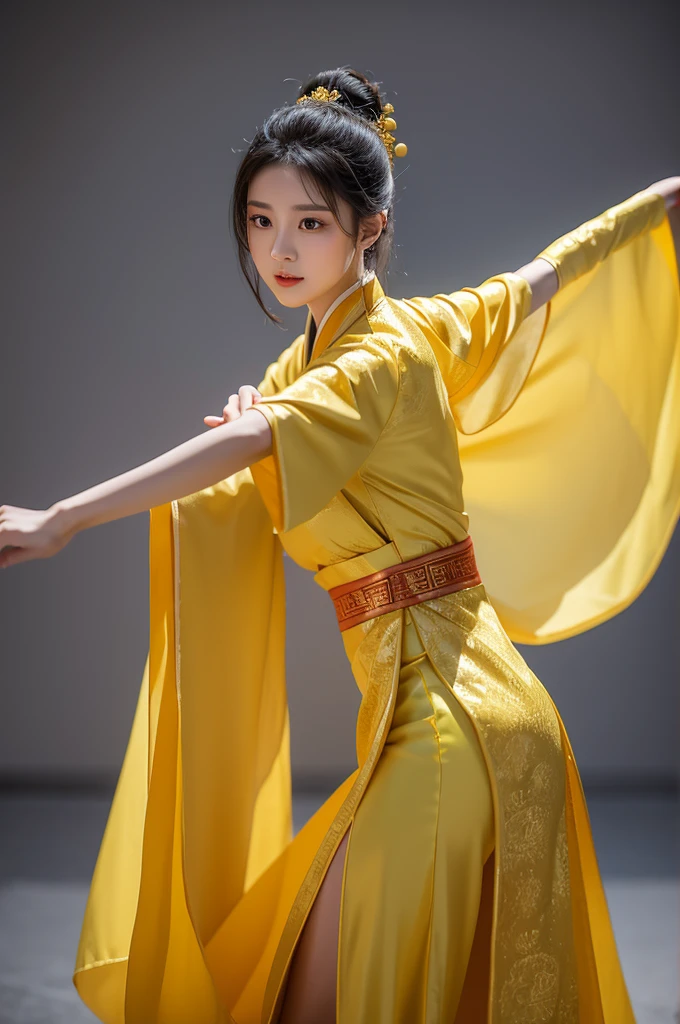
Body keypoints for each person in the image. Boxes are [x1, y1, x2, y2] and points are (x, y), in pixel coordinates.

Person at [1, 67, 678, 1024]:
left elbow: (251, 441)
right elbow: (539, 277)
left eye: (310, 223)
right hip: (453, 720)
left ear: (371, 231)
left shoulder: (379, 357)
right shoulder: (386, 338)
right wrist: (658, 204)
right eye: (259, 219)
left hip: (450, 726)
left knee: (327, 1002)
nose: (279, 248)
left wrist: (59, 518)